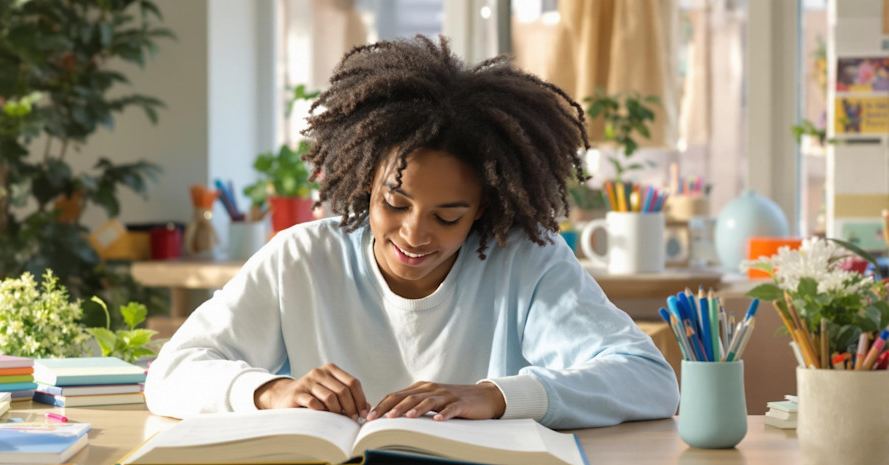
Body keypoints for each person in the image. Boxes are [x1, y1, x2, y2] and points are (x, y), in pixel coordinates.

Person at [144, 35, 679, 429]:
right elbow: (170, 373)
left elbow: (649, 379)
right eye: (394, 203)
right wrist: (271, 391)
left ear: (484, 207)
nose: (414, 234)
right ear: (363, 182)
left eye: (448, 216)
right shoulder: (302, 257)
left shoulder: (526, 262)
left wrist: (496, 396)